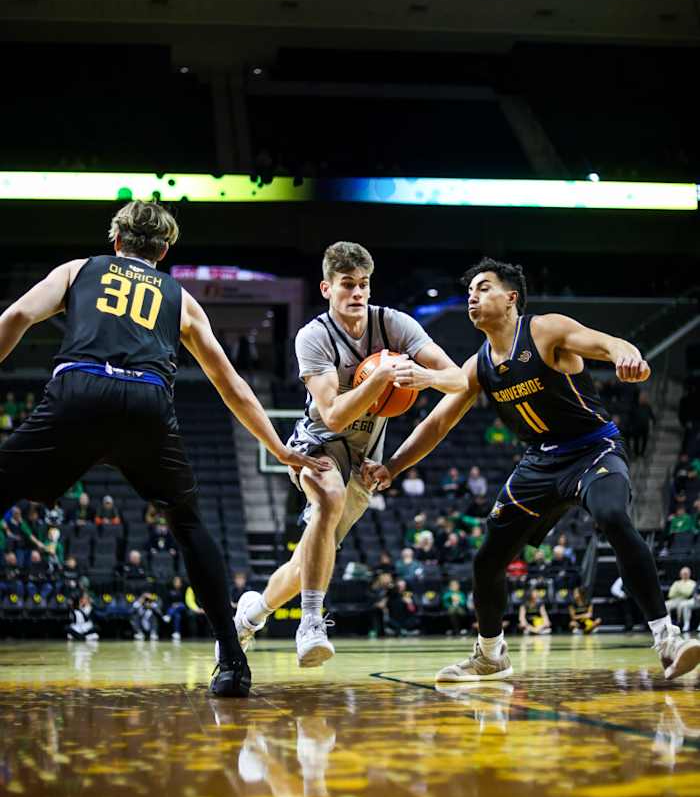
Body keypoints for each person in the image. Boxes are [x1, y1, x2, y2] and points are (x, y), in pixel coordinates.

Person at [0, 198, 328, 697]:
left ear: (115, 241)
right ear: (165, 249)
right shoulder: (179, 297)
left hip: (80, 391)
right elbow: (231, 383)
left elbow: (18, 315)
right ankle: (233, 662)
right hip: (147, 403)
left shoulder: (79, 270)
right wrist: (280, 448)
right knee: (189, 524)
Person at [363, 256, 700, 682]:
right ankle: (490, 655)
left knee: (613, 516)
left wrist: (628, 357)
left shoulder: (544, 330)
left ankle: (666, 638)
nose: (473, 295)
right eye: (469, 291)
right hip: (539, 463)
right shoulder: (479, 364)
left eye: (484, 287)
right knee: (487, 561)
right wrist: (392, 466)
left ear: (511, 298)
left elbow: (608, 343)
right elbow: (436, 424)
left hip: (592, 450)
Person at [227, 241, 466, 668]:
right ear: (326, 288)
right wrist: (380, 379)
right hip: (317, 443)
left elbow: (458, 380)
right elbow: (334, 416)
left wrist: (424, 375)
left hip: (365, 457)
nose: (357, 293)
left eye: (363, 285)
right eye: (347, 285)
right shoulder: (313, 336)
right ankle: (312, 622)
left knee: (305, 565)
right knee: (329, 496)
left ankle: (249, 615)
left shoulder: (394, 325)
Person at [665, 566, 697, 634]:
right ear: (680, 574)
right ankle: (668, 624)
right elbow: (670, 594)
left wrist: (678, 590)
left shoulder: (692, 583)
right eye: (683, 573)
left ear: (689, 574)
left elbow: (688, 593)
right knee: (665, 605)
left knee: (682, 605)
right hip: (675, 600)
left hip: (685, 599)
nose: (684, 575)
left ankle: (679, 623)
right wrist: (681, 591)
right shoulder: (676, 582)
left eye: (686, 573)